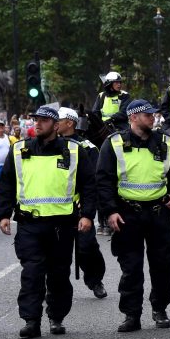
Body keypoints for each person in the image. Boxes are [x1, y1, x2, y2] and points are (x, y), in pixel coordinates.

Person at [0, 106, 96, 338]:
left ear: (56, 125)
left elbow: (88, 185)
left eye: (43, 120)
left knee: (59, 274)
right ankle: (31, 320)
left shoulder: (74, 150)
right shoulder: (19, 150)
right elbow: (7, 184)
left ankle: (56, 317)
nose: (37, 124)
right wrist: (3, 214)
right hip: (30, 224)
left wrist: (87, 215)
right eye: (35, 120)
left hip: (62, 225)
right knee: (32, 273)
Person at [96, 99, 170, 332]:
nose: (152, 118)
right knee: (131, 268)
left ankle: (160, 309)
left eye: (153, 115)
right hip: (128, 214)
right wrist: (110, 211)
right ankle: (131, 314)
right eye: (147, 115)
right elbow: (104, 180)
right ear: (133, 118)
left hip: (159, 213)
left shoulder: (166, 142)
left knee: (164, 266)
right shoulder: (114, 143)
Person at [56, 108, 107, 299]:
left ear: (69, 122)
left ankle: (95, 280)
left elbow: (93, 180)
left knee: (87, 247)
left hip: (80, 207)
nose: (54, 123)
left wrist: (88, 206)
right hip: (55, 208)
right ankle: (54, 286)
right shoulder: (49, 145)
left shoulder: (88, 148)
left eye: (58, 120)